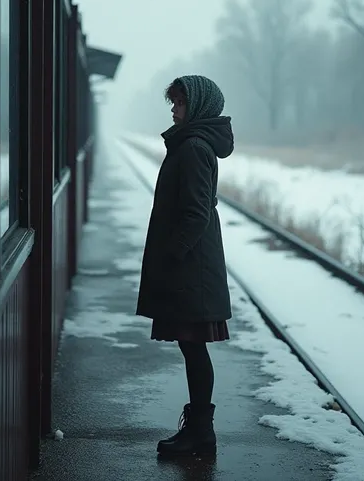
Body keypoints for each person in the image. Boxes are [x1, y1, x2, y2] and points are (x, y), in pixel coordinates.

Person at [136, 74, 234, 457]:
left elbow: (196, 213)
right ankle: (198, 431)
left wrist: (172, 255)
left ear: (198, 107)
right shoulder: (192, 144)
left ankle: (201, 434)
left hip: (191, 266)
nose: (174, 110)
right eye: (173, 103)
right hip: (192, 263)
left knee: (194, 348)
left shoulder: (193, 147)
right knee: (191, 347)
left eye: (179, 103)